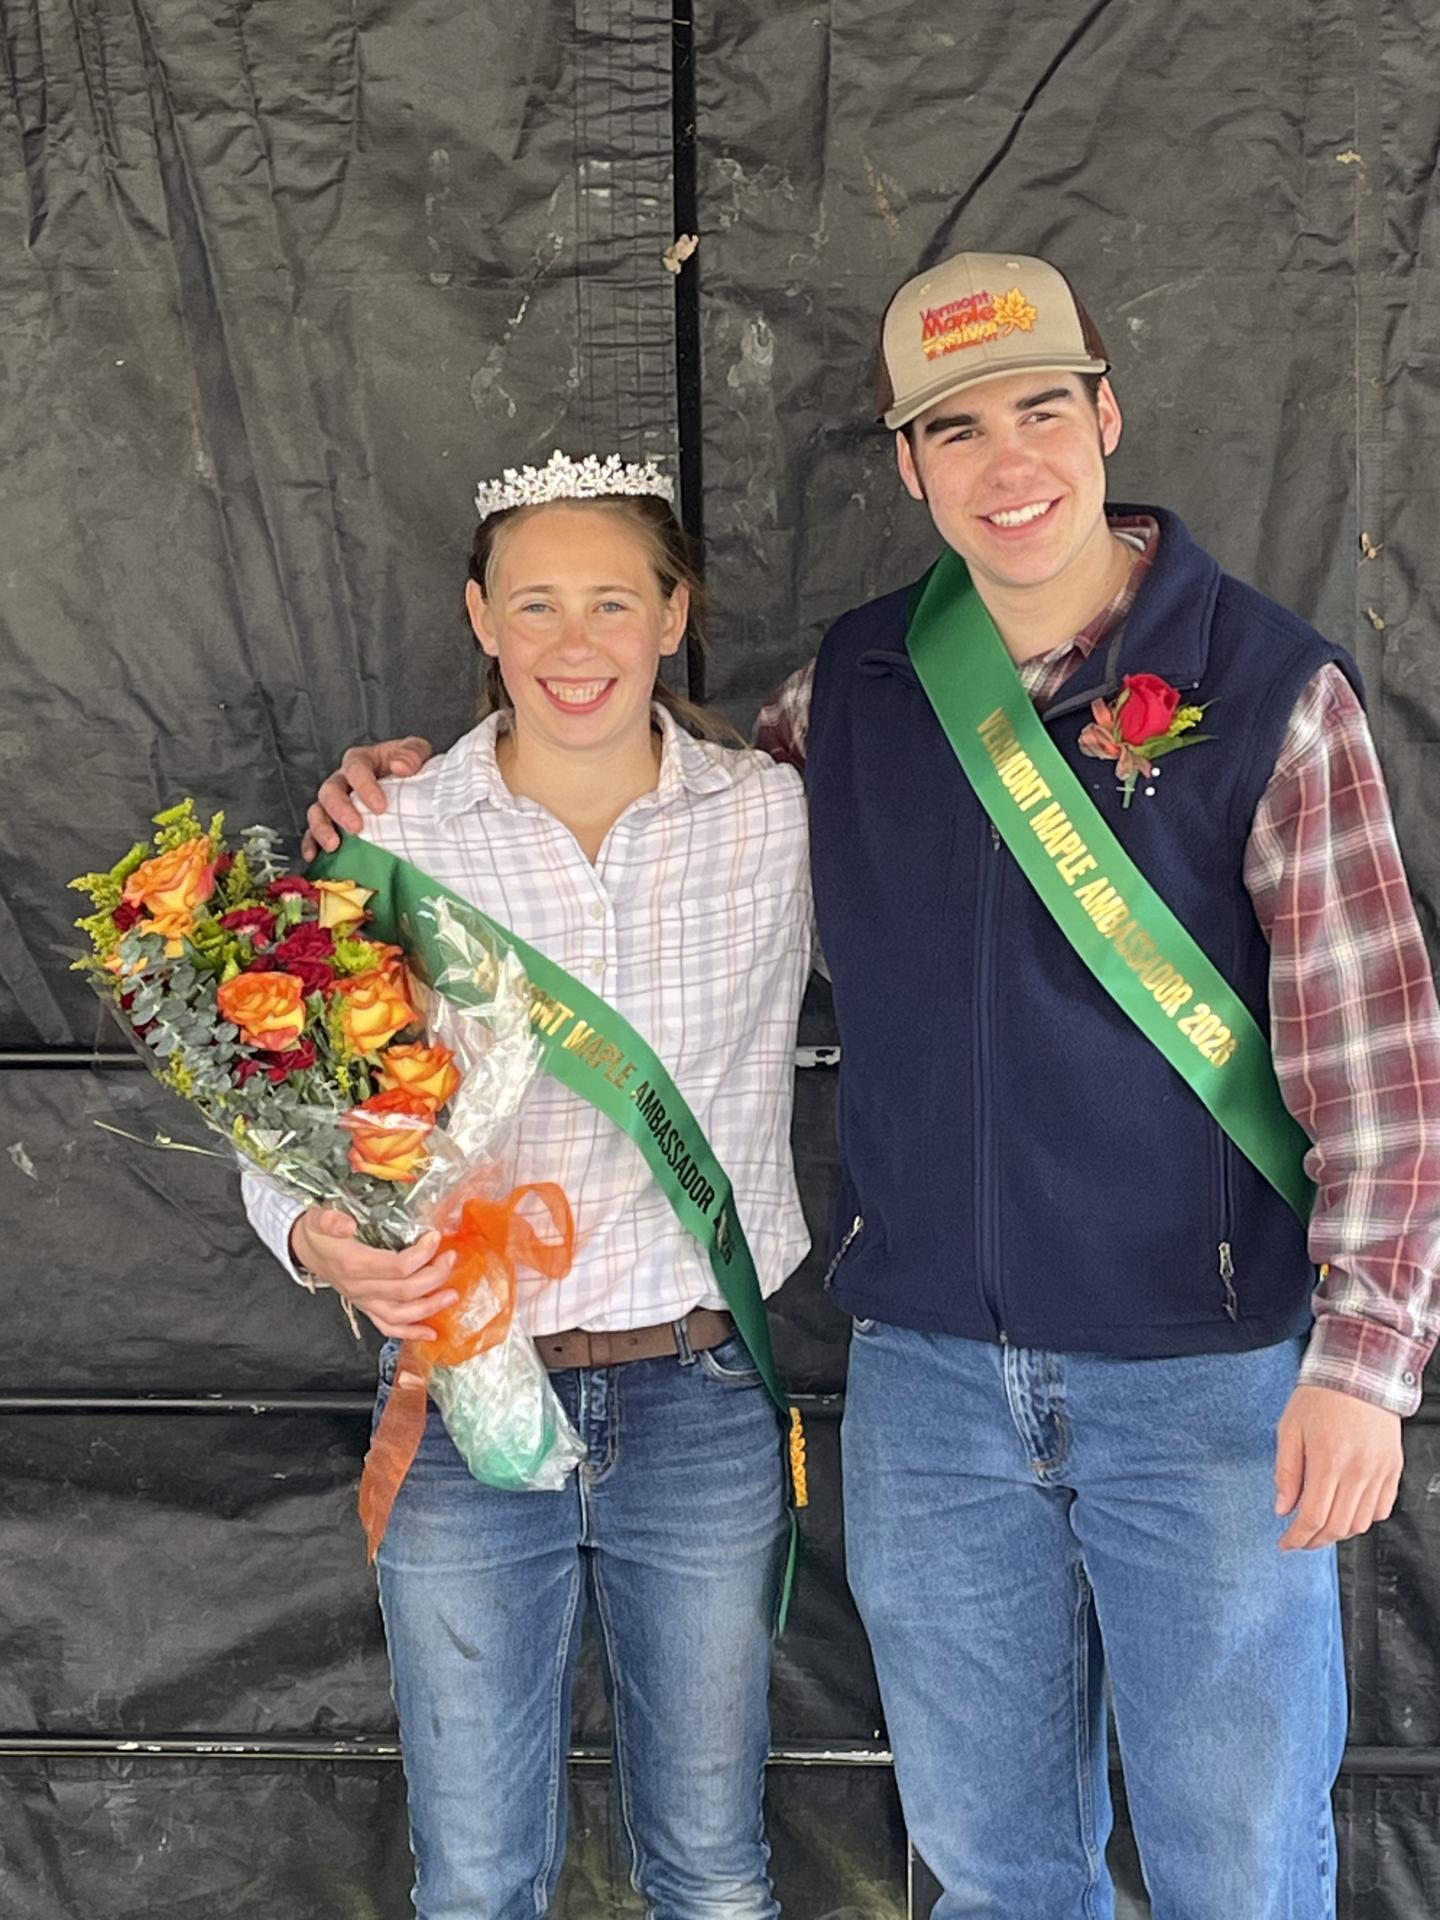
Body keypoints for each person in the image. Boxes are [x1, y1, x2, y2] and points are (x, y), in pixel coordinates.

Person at [305, 255, 1440, 1919]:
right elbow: (635, 797)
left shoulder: (1272, 689)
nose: (1008, 462)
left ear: (1107, 418)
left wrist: (1368, 1363)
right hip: (934, 1390)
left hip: (1206, 1383)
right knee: (991, 1871)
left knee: (1239, 1867)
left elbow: (1382, 1062)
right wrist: (402, 801)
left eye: (1041, 410)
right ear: (909, 466)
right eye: (957, 429)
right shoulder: (847, 694)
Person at [246, 453, 812, 1920]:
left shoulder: (777, 820)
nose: (576, 642)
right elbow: (286, 1102)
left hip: (699, 1392)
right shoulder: (394, 833)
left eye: (614, 601)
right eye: (537, 602)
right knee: (480, 1875)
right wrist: (317, 1236)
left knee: (712, 1866)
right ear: (479, 618)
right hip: (460, 1396)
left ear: (674, 616)